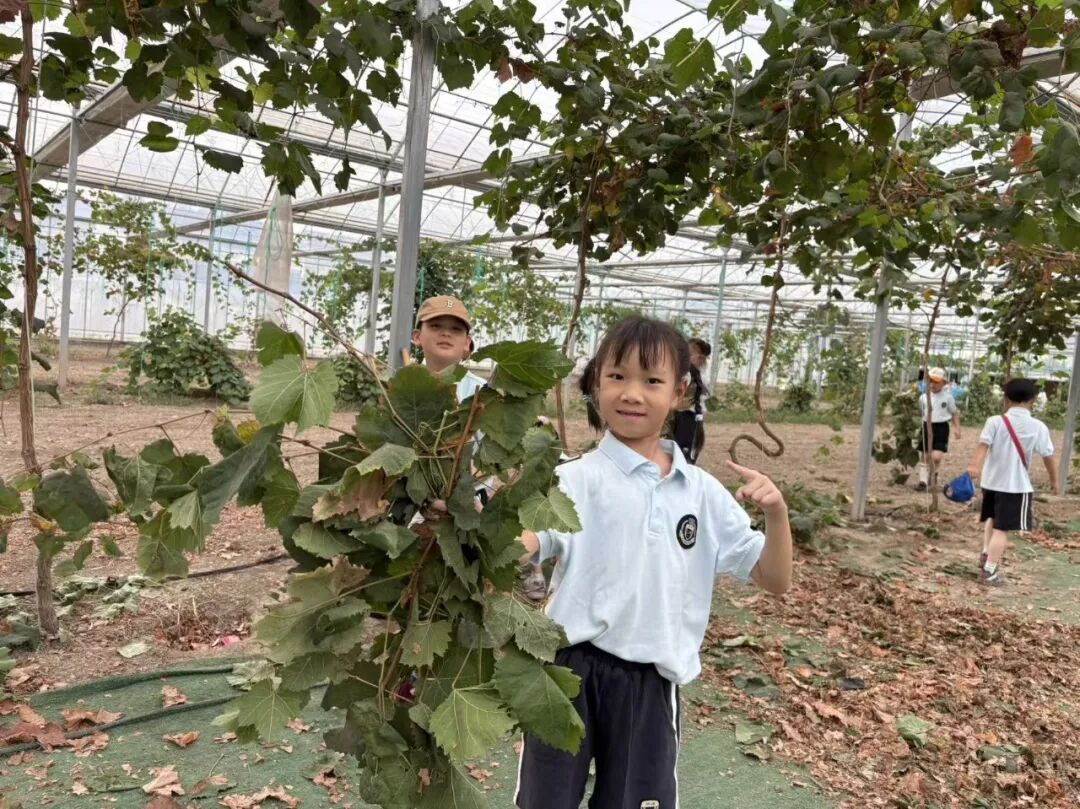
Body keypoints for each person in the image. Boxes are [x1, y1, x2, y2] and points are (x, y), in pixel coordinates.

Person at [514, 316, 793, 809]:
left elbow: (774, 579)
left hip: (651, 683)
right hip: (567, 672)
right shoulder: (573, 478)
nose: (632, 394)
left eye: (652, 380)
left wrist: (776, 513)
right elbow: (529, 541)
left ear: (680, 392)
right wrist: (489, 525)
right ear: (595, 383)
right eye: (617, 376)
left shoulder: (702, 492)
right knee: (546, 800)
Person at [966, 378, 1057, 586]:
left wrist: (974, 467)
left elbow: (983, 446)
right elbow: (1048, 456)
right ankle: (990, 571)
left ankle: (985, 555)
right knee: (1002, 529)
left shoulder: (994, 421)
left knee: (992, 518)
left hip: (991, 482)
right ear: (1033, 401)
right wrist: (1054, 481)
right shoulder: (1038, 427)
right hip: (1015, 486)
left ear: (1006, 399)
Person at [411, 294, 485, 400]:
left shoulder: (482, 392)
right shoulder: (399, 389)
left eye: (456, 329)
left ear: (467, 343)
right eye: (436, 326)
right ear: (417, 337)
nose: (446, 333)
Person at [916, 366, 961, 491]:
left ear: (943, 383)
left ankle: (934, 474)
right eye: (930, 381)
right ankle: (923, 480)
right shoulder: (923, 397)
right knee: (925, 454)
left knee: (936, 456)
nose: (933, 384)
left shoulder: (948, 397)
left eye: (936, 382)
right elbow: (921, 411)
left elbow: (954, 413)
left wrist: (957, 428)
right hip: (927, 425)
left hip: (941, 427)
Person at [669, 337, 711, 464]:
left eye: (689, 353)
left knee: (682, 456)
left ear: (700, 358)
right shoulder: (690, 374)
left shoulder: (693, 377)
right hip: (685, 417)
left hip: (687, 418)